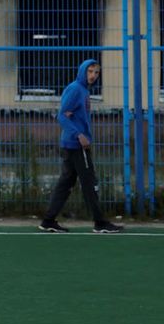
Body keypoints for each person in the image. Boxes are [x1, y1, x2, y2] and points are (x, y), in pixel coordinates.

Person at [39, 59, 124, 234]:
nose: (93, 75)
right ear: (83, 71)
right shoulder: (76, 89)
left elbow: (71, 115)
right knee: (89, 183)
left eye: (96, 72)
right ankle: (100, 223)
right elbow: (62, 116)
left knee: (65, 183)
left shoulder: (83, 90)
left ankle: (48, 220)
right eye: (90, 71)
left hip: (73, 145)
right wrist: (79, 135)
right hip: (76, 145)